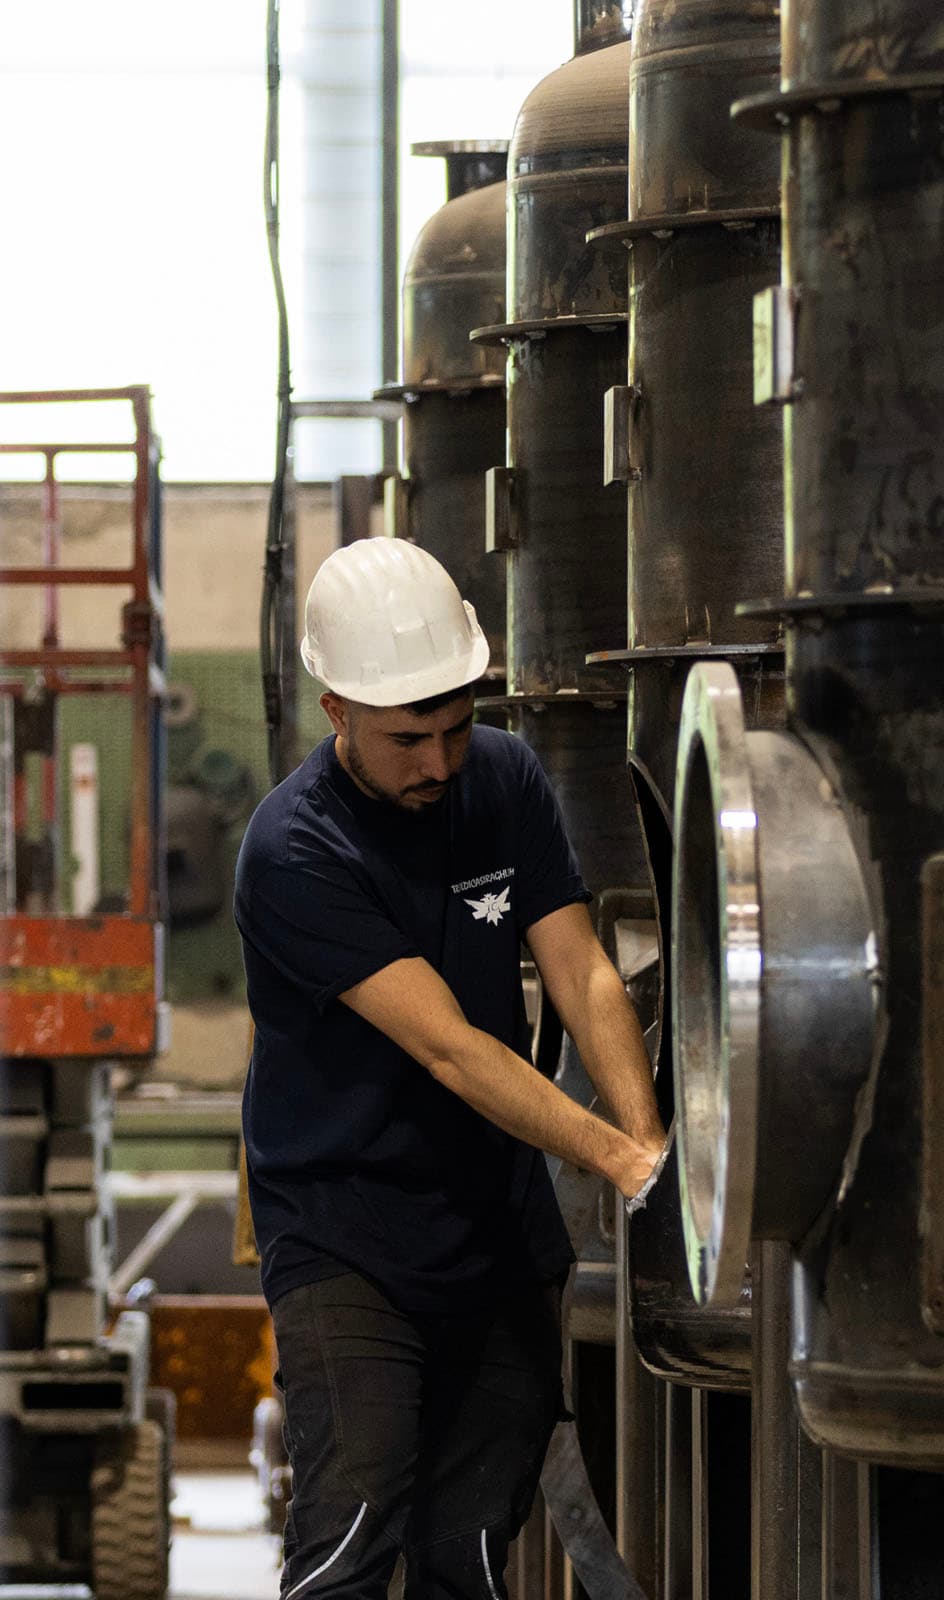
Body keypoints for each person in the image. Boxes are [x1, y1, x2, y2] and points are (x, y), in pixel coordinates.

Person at [235, 538, 667, 1600]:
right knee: (350, 1534)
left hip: (495, 1229)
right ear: (336, 711)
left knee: (469, 1553)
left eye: (456, 724)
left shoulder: (504, 778)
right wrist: (618, 1158)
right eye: (407, 737)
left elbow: (579, 970)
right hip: (347, 1234)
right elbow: (448, 1047)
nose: (438, 761)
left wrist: (650, 1139)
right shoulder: (295, 850)